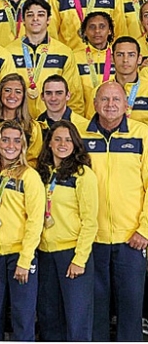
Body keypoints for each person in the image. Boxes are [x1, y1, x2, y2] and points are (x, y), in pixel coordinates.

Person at [80, 82, 148, 341]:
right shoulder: (81, 137)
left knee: (131, 309)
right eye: (104, 99)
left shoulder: (142, 135)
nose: (110, 105)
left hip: (131, 239)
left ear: (126, 105)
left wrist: (144, 229)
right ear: (95, 104)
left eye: (116, 100)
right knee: (95, 309)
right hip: (92, 239)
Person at [0, 120, 44, 341]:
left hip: (19, 256)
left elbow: (35, 221)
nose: (10, 145)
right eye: (5, 139)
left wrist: (25, 259)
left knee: (23, 317)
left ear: (23, 145)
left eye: (17, 140)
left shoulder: (29, 176)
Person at [36, 120, 99, 341]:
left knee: (77, 321)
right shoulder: (41, 173)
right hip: (44, 255)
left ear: (76, 144)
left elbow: (90, 221)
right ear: (49, 143)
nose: (63, 144)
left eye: (68, 140)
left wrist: (79, 259)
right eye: (58, 139)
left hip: (71, 255)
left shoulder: (83, 175)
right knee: (49, 318)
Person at [5, 0, 84, 117]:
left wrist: (70, 125)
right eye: (30, 15)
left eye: (41, 15)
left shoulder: (64, 52)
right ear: (23, 20)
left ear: (48, 20)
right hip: (18, 123)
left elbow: (74, 95)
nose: (35, 19)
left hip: (53, 124)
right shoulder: (9, 52)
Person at [0, 73, 43, 166]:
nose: (12, 95)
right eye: (7, 90)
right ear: (0, 93)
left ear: (23, 96)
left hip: (17, 178)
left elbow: (32, 161)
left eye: (18, 92)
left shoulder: (32, 127)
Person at [86, 36, 148, 125]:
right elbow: (91, 128)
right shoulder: (99, 91)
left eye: (131, 55)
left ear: (139, 59)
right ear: (112, 58)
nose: (125, 60)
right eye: (120, 55)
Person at [74, 11, 116, 113]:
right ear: (84, 32)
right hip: (83, 119)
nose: (97, 31)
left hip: (113, 116)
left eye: (102, 26)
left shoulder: (118, 56)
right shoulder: (74, 57)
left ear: (109, 30)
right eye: (92, 27)